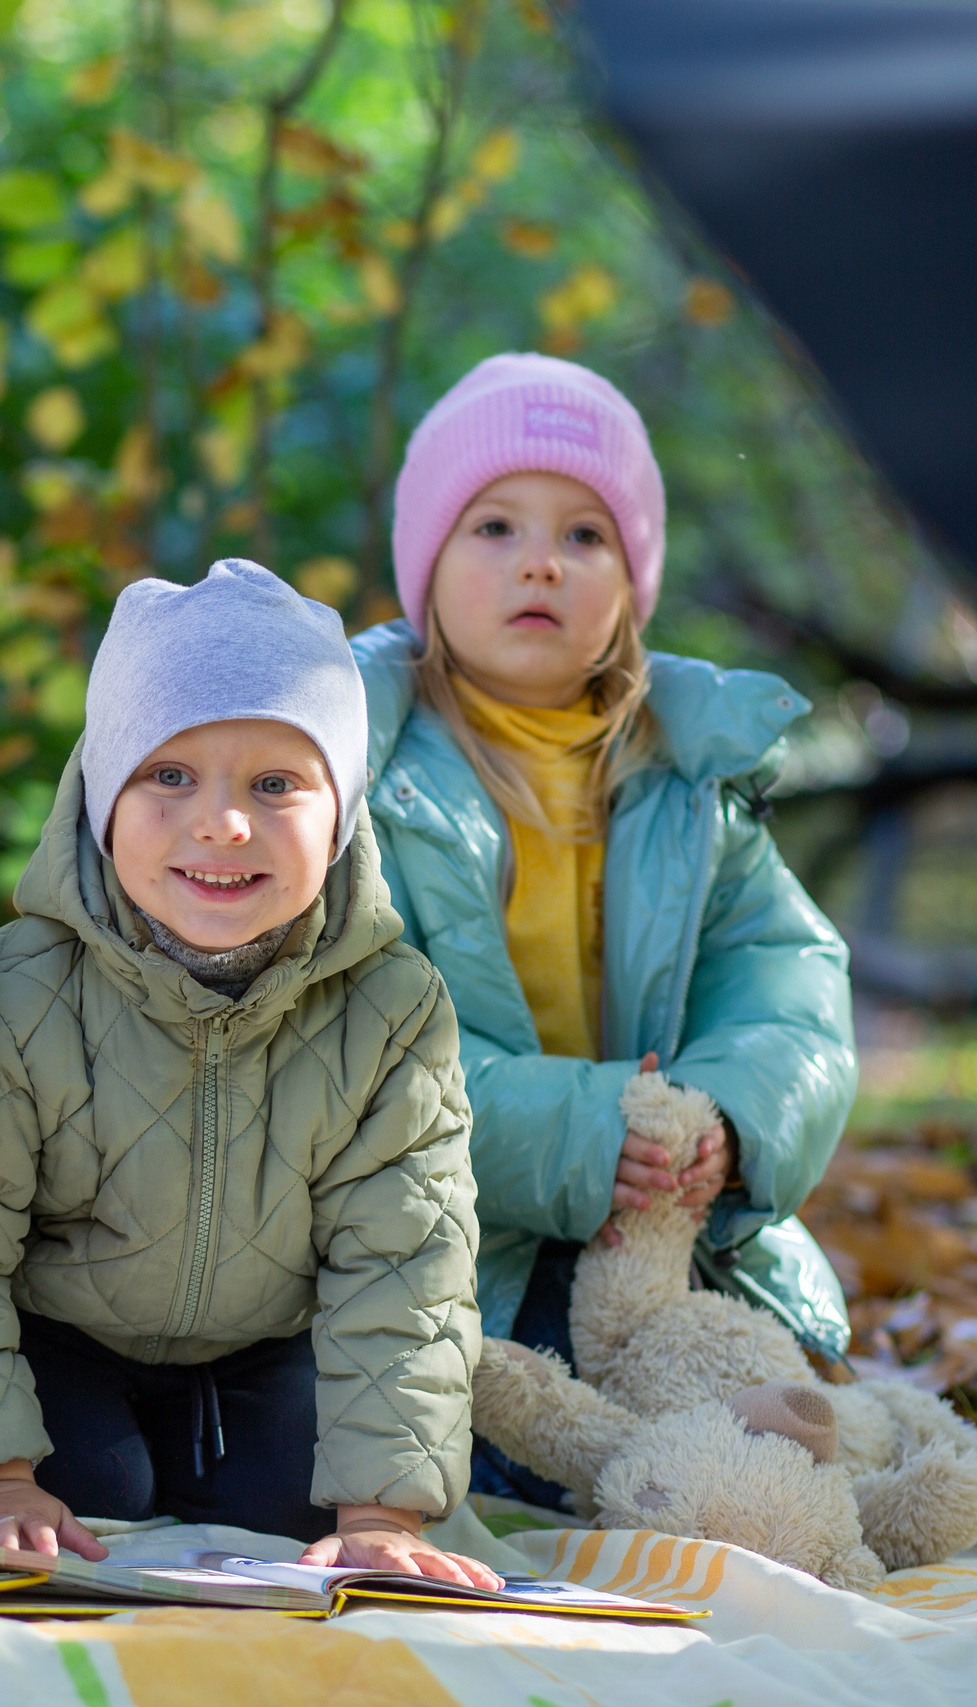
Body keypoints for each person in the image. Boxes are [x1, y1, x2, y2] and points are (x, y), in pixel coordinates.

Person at [0, 562, 496, 1585]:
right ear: (104, 796)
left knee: (291, 1512)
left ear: (342, 817)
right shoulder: (22, 994)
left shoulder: (390, 1011)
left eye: (276, 784)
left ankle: (256, 1480)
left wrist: (383, 1510)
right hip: (54, 1333)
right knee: (85, 1498)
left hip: (259, 1345)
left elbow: (405, 1266)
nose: (222, 823)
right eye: (168, 776)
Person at [353, 353, 856, 1506]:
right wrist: (580, 1133)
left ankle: (755, 1465)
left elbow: (786, 980)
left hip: (650, 1229)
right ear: (423, 568)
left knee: (739, 1376)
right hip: (431, 1238)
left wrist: (730, 1114)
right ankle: (662, 1473)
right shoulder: (365, 783)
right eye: (491, 526)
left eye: (586, 536)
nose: (540, 559)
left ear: (631, 585)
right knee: (514, 1433)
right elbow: (356, 1036)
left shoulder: (687, 781)